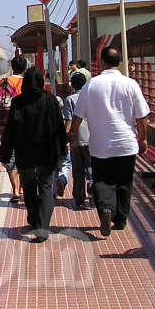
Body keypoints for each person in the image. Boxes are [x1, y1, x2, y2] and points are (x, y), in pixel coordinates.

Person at [68, 47, 149, 237]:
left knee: (102, 180)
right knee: (124, 182)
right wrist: (143, 138)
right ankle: (120, 220)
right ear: (119, 62)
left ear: (102, 62)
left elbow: (78, 115)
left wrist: (72, 134)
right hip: (126, 144)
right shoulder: (131, 84)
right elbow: (142, 116)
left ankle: (106, 208)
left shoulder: (91, 85)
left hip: (100, 145)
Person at [0, 66, 67, 243]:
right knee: (46, 188)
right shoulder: (50, 99)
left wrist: (5, 155)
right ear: (41, 81)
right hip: (47, 153)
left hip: (25, 154)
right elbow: (59, 126)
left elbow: (11, 131)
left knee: (28, 188)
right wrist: (63, 149)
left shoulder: (18, 102)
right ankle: (42, 228)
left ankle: (33, 219)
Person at [0, 55, 27, 203]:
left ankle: (14, 191)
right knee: (24, 156)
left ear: (12, 67)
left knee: (10, 157)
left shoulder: (4, 82)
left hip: (5, 125)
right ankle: (22, 188)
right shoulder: (26, 83)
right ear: (25, 68)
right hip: (23, 125)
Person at [63, 71, 92, 210]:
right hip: (92, 138)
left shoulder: (69, 99)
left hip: (76, 139)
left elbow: (69, 120)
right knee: (92, 169)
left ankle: (79, 199)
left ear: (72, 85)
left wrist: (66, 138)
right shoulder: (91, 97)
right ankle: (93, 193)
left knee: (78, 172)